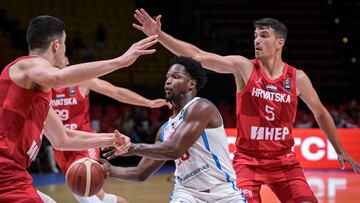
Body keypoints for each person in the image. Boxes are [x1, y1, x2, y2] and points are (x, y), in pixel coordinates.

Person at [131, 9, 360, 202]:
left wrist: (339, 149)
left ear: (279, 42)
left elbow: (320, 113)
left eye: (263, 35)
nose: (256, 40)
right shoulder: (245, 68)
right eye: (255, 35)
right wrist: (159, 35)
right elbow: (198, 55)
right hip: (247, 163)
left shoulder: (297, 78)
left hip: (285, 163)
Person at [0, 15, 157, 203]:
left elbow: (63, 138)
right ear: (56, 45)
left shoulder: (36, 95)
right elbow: (56, 79)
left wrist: (111, 139)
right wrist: (120, 61)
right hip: (6, 174)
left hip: (14, 174)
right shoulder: (27, 64)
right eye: (65, 43)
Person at [102, 56, 247, 203]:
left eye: (175, 76)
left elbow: (174, 150)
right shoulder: (164, 130)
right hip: (187, 193)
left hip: (223, 192)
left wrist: (132, 148)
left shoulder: (201, 107)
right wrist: (109, 170)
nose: (168, 81)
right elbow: (140, 173)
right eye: (167, 77)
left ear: (191, 84)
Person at [51, 57, 168, 203]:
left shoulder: (80, 80)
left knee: (84, 192)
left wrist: (148, 103)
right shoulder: (41, 87)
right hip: (61, 147)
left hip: (84, 144)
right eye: (64, 56)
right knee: (101, 198)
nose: (67, 60)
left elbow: (116, 92)